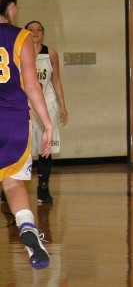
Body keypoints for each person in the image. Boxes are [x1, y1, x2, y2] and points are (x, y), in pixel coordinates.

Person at [0, 0, 52, 270]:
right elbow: (32, 85)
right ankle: (28, 229)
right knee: (13, 182)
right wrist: (48, 124)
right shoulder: (21, 36)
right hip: (14, 121)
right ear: (11, 8)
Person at [24, 20, 68, 204]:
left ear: (43, 33)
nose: (35, 32)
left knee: (45, 148)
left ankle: (43, 188)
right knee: (22, 148)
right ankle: (12, 186)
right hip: (25, 105)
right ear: (26, 33)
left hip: (46, 104)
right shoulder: (19, 52)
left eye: (38, 30)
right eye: (31, 30)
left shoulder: (50, 54)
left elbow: (56, 80)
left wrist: (62, 105)